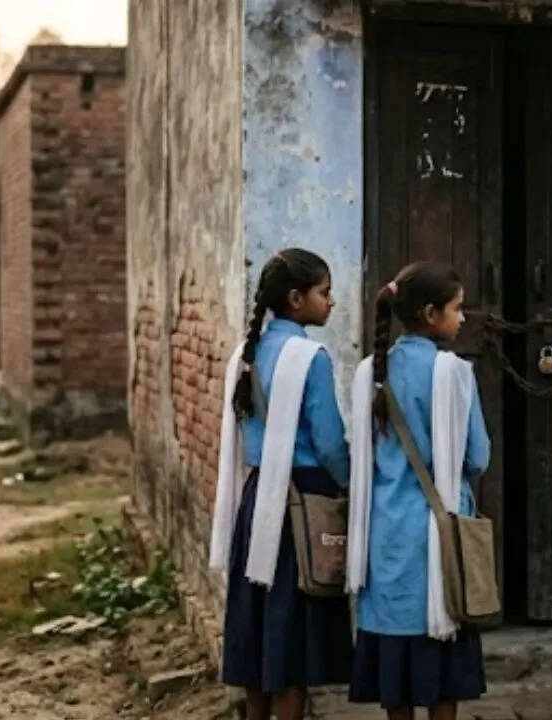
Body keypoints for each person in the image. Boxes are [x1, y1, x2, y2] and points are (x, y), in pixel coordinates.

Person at [209, 248, 352, 720]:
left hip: (257, 503)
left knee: (258, 629)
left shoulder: (246, 354)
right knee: (293, 637)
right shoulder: (311, 358)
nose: (332, 302)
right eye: (324, 292)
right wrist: (351, 483)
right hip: (300, 503)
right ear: (296, 299)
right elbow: (329, 443)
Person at [346, 261, 491, 720]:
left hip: (386, 535)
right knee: (442, 671)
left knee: (395, 676)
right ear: (431, 314)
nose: (463, 318)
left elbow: (360, 456)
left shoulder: (371, 372)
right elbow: (478, 459)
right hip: (439, 538)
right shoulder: (455, 374)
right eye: (457, 308)